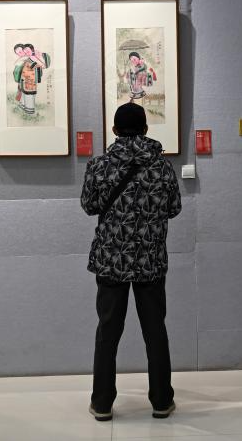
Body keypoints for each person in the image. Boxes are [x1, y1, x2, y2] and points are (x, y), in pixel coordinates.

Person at [80, 102, 182, 422]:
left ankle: (102, 403)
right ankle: (161, 400)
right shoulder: (162, 167)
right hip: (150, 260)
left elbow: (89, 205)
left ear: (114, 130)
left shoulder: (100, 165)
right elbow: (174, 208)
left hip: (112, 260)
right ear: (146, 129)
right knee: (155, 331)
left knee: (108, 333)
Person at [12, 43, 50, 115]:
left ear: (32, 50)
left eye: (21, 51)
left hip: (30, 81)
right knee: (24, 94)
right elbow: (16, 64)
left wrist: (37, 63)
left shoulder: (33, 58)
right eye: (18, 53)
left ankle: (29, 110)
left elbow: (42, 66)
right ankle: (23, 106)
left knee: (29, 95)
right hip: (24, 80)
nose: (20, 53)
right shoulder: (26, 58)